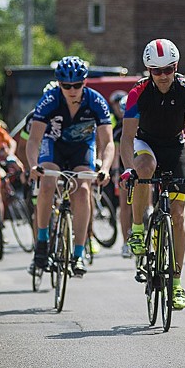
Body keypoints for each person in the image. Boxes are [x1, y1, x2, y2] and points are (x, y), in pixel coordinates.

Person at [121, 39, 185, 311]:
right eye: (156, 71)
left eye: (168, 69)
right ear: (148, 71)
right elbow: (126, 138)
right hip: (145, 144)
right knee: (144, 169)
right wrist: (128, 169)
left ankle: (177, 285)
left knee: (178, 217)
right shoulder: (137, 93)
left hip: (174, 147)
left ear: (176, 67)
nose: (164, 76)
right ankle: (137, 229)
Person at [26, 56, 114, 277]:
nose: (72, 90)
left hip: (82, 148)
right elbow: (34, 139)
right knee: (47, 183)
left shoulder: (96, 101)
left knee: (83, 190)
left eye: (77, 85)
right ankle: (43, 241)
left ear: (85, 82)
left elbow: (108, 141)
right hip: (54, 145)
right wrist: (33, 165)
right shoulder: (49, 100)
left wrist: (105, 167)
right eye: (66, 86)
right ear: (59, 85)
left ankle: (78, 253)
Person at [109, 90, 133, 258]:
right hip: (126, 168)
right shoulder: (118, 127)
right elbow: (117, 152)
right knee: (124, 205)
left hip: (144, 166)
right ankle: (126, 242)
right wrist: (116, 172)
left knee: (146, 205)